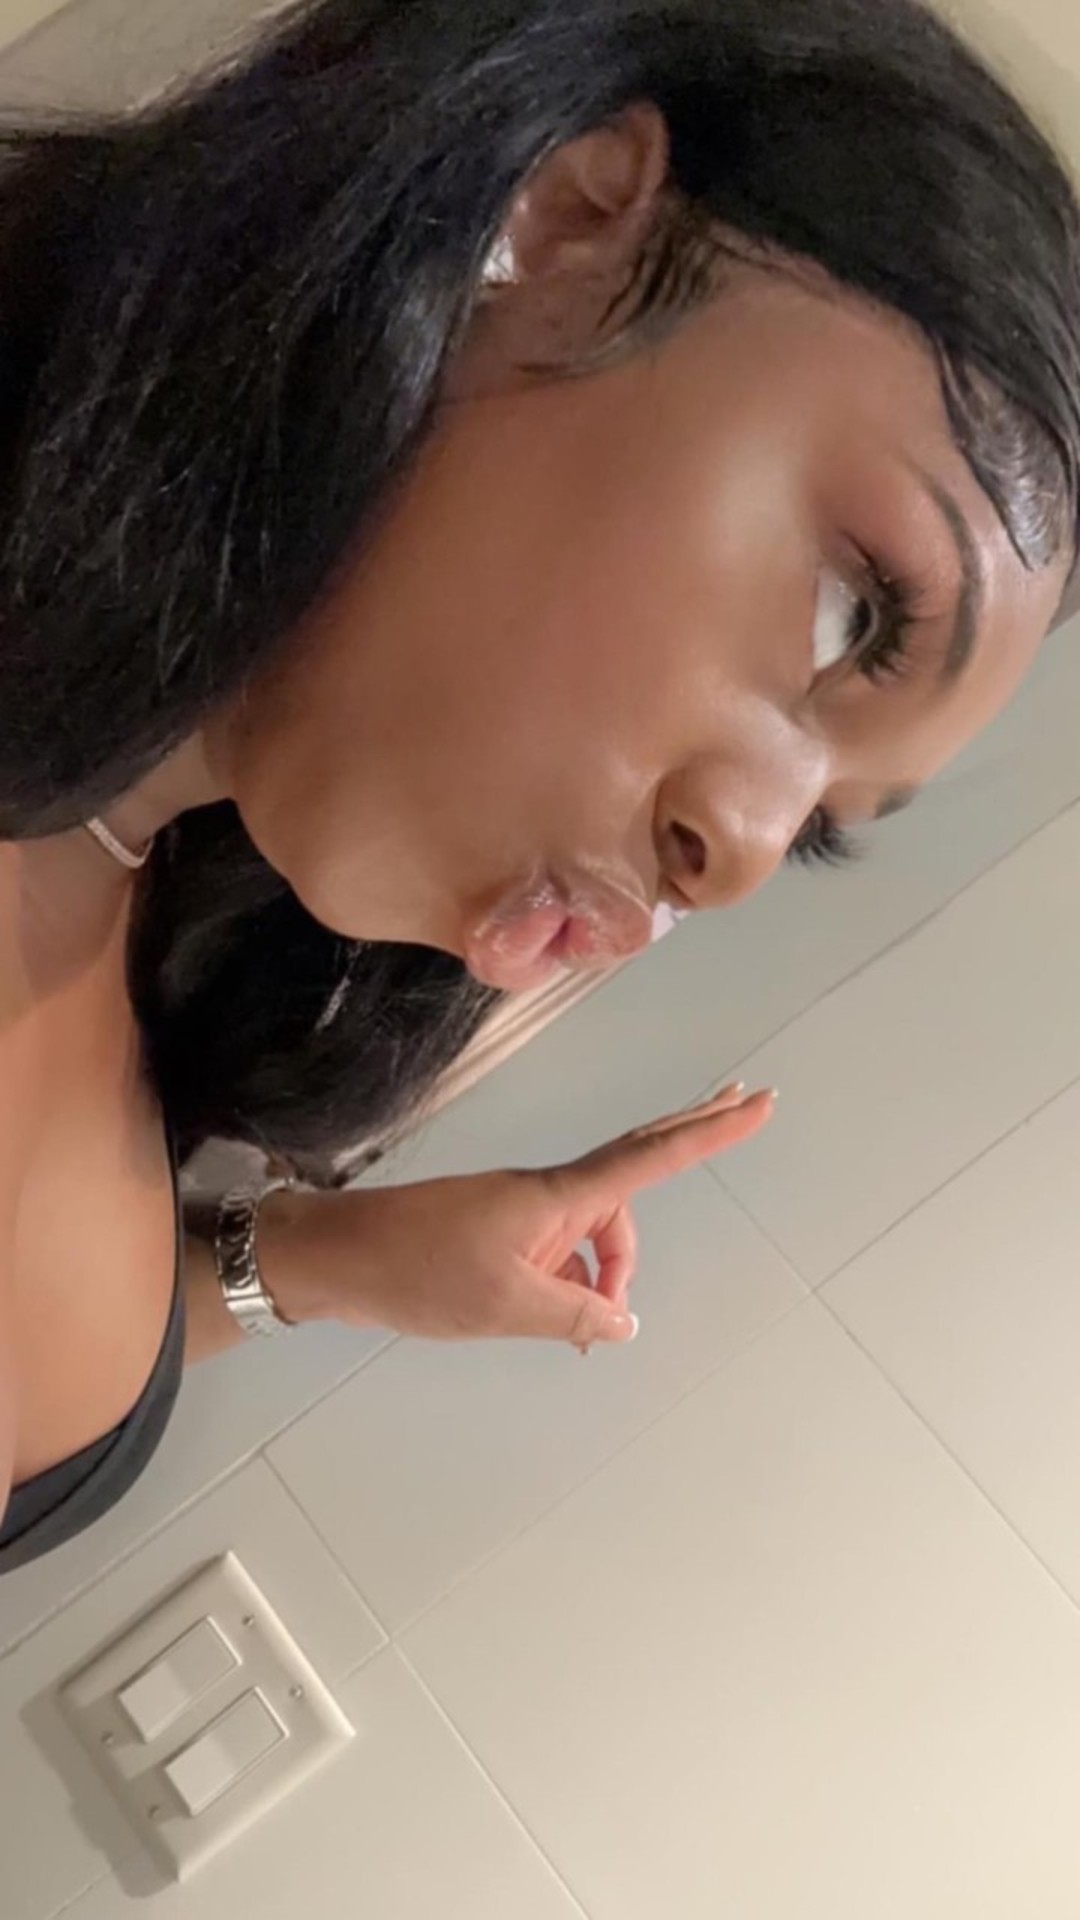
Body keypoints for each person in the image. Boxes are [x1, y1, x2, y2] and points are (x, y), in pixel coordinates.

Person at [0, 0, 1077, 1574]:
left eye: (819, 831)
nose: (740, 860)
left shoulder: (127, 940)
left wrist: (307, 1266)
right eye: (848, 616)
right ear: (563, 220)